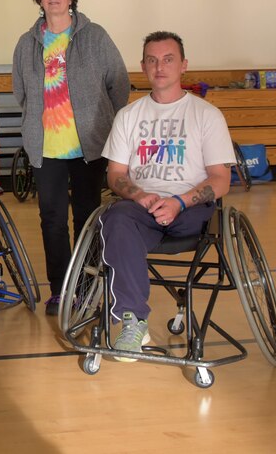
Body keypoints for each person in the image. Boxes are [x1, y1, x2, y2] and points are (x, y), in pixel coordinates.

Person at [99, 32, 235, 360]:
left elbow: (221, 179)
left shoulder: (206, 115)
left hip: (191, 206)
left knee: (195, 208)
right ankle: (133, 321)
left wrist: (179, 202)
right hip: (142, 205)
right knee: (114, 218)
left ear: (183, 65)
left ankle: (134, 318)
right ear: (143, 66)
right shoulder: (128, 116)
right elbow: (116, 174)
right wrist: (143, 197)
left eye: (168, 59)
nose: (160, 67)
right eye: (152, 60)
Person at [12, 0, 129, 315]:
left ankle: (88, 285)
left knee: (87, 216)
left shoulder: (95, 36)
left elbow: (119, 84)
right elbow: (21, 92)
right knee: (51, 219)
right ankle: (61, 289)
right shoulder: (27, 42)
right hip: (46, 147)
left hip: (88, 145)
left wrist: (103, 122)